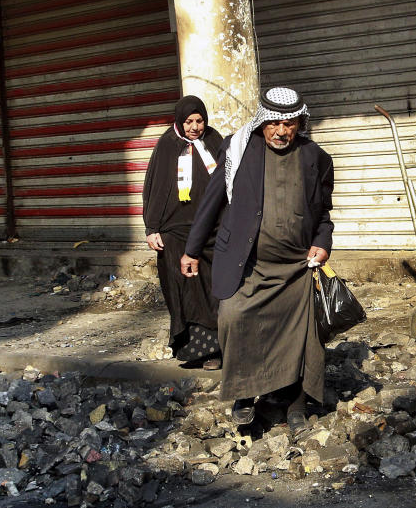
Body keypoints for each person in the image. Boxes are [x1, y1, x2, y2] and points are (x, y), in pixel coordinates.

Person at [181, 87, 333, 433]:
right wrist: (192, 249)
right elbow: (211, 200)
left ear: (300, 123)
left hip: (295, 268)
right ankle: (244, 395)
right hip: (247, 264)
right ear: (262, 121)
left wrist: (323, 243)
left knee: (297, 336)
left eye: (290, 123)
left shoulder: (316, 157)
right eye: (275, 123)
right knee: (234, 319)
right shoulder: (239, 148)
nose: (282, 131)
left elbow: (324, 213)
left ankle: (294, 403)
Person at [142, 95, 224, 370]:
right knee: (183, 287)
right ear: (179, 121)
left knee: (212, 287)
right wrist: (152, 228)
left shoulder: (214, 141)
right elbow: (154, 187)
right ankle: (191, 348)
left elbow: (230, 179)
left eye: (199, 121)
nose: (194, 127)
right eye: (188, 121)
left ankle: (216, 349)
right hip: (174, 232)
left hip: (212, 228)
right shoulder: (167, 145)